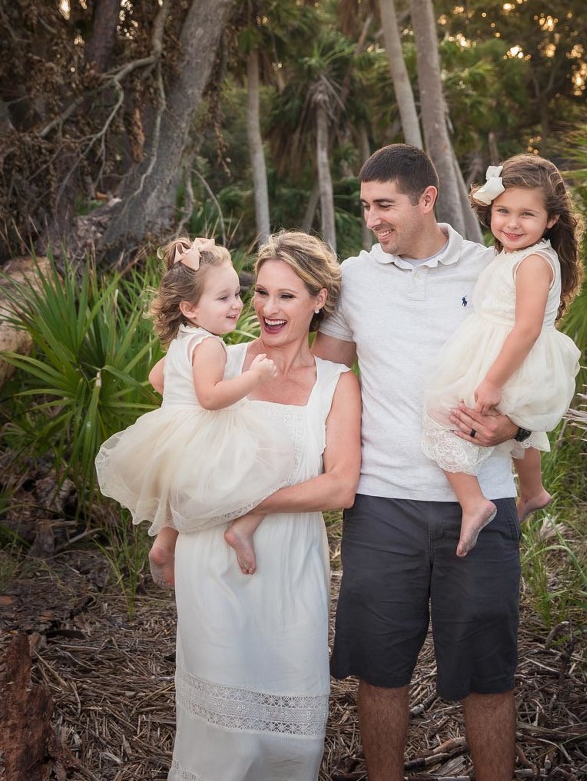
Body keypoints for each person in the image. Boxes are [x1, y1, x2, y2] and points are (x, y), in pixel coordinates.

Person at [313, 143, 524, 781]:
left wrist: (516, 425)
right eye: (365, 206)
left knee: (488, 675)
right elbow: (320, 379)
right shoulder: (355, 279)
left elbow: (535, 368)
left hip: (484, 497)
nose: (372, 219)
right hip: (382, 504)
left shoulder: (491, 270)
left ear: (427, 199)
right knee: (379, 671)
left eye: (385, 205)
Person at [168, 231, 360, 781]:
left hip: (290, 565)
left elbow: (340, 487)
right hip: (210, 559)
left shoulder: (336, 383)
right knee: (223, 738)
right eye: (261, 293)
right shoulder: (219, 363)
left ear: (319, 299)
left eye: (287, 296)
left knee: (288, 737)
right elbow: (172, 436)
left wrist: (251, 505)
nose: (268, 309)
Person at [95, 236, 294, 580]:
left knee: (179, 495)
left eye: (237, 294)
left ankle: (163, 546)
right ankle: (242, 529)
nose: (236, 304)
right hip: (205, 430)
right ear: (190, 308)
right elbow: (210, 398)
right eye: (223, 298)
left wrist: (179, 405)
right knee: (277, 460)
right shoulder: (210, 345)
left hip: (176, 433)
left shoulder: (182, 339)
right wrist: (254, 377)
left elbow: (156, 378)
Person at [421, 155, 582, 557]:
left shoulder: (532, 262)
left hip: (510, 355)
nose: (512, 223)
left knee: (441, 414)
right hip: (510, 352)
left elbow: (526, 328)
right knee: (522, 425)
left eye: (527, 214)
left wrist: (492, 380)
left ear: (551, 220)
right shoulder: (518, 256)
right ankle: (533, 490)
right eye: (503, 211)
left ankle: (473, 502)